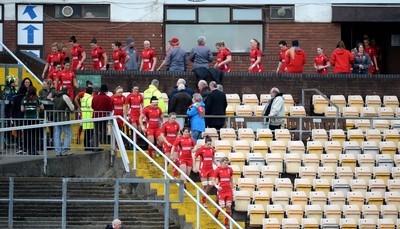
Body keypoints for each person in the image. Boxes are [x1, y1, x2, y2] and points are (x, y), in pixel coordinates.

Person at [193, 135, 217, 207]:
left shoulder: (212, 149)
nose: (209, 145)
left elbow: (213, 159)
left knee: (211, 184)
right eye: (208, 144)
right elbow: (194, 156)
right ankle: (204, 201)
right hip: (203, 169)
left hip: (210, 169)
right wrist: (194, 167)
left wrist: (218, 165)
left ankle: (204, 195)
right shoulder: (201, 149)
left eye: (210, 144)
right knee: (204, 185)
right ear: (205, 143)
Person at [21, 86, 44, 155]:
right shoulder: (37, 99)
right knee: (35, 135)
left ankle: (29, 150)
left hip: (27, 119)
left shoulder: (24, 99)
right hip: (35, 119)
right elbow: (42, 107)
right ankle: (34, 150)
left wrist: (27, 109)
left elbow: (22, 109)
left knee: (28, 135)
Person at [213, 157, 235, 228]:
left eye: (227, 163)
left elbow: (231, 179)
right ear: (221, 163)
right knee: (222, 206)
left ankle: (226, 223)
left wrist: (232, 186)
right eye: (225, 163)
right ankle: (217, 213)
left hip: (228, 190)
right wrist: (216, 186)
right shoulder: (218, 170)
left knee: (228, 206)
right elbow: (213, 179)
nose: (226, 164)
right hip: (221, 190)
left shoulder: (230, 170)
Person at [53, 86, 74, 156]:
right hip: (64, 118)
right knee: (68, 134)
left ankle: (58, 151)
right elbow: (72, 107)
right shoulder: (65, 97)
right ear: (67, 91)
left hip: (56, 118)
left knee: (57, 135)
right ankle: (65, 150)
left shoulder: (56, 96)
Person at [92, 84, 113, 150]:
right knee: (103, 131)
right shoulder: (108, 98)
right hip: (104, 117)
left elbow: (92, 106)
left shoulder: (95, 97)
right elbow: (110, 108)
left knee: (96, 131)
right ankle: (96, 143)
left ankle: (94, 144)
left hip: (95, 116)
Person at [160, 112, 180, 177]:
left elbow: (177, 134)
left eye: (175, 118)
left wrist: (177, 141)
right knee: (168, 158)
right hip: (167, 143)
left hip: (174, 143)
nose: (173, 119)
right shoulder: (165, 125)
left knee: (175, 158)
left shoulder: (177, 125)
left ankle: (175, 175)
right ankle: (165, 170)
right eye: (172, 118)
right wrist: (166, 142)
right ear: (169, 118)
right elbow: (162, 135)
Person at [81, 86, 94, 150]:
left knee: (86, 133)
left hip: (84, 117)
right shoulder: (90, 98)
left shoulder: (83, 98)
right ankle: (89, 147)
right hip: (90, 117)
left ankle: (86, 147)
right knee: (90, 134)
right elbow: (92, 108)